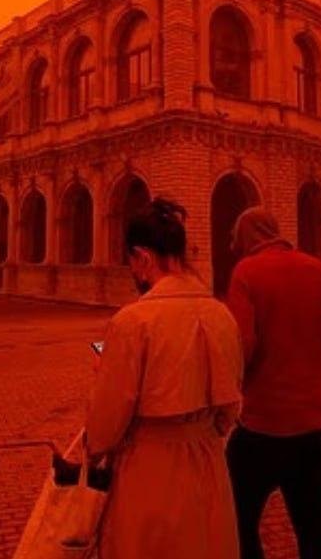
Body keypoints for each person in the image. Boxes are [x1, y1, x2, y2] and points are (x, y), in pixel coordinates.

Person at [85, 198, 244, 559]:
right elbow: (230, 410)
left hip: (150, 469)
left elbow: (104, 426)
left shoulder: (133, 321)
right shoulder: (221, 314)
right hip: (208, 463)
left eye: (131, 263)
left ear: (142, 257)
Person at [224, 207, 321, 559]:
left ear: (246, 236)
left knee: (234, 516)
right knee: (318, 532)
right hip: (318, 426)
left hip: (264, 427)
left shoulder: (246, 272)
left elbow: (242, 346)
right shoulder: (316, 268)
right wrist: (308, 348)